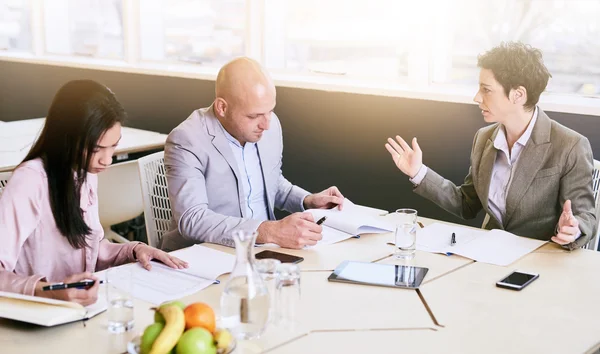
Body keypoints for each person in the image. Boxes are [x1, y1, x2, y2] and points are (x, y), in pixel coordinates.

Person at [385, 42, 595, 250]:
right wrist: (418, 172)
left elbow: (585, 216)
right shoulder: (484, 138)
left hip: (541, 260)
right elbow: (466, 204)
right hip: (488, 254)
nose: (477, 97)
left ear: (518, 95)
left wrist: (573, 229)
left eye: (486, 90)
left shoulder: (570, 145)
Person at [0, 80, 188, 305]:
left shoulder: (84, 173)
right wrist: (47, 291)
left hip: (78, 309)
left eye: (113, 146)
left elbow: (91, 250)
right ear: (66, 137)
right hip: (34, 314)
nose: (107, 160)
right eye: (96, 149)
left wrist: (135, 250)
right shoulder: (30, 181)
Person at [161, 57, 344, 251]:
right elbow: (192, 219)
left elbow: (271, 183)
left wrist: (307, 201)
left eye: (270, 111)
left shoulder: (269, 126)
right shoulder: (187, 139)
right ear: (222, 107)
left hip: (265, 250)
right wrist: (270, 231)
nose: (265, 124)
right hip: (207, 254)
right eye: (253, 116)